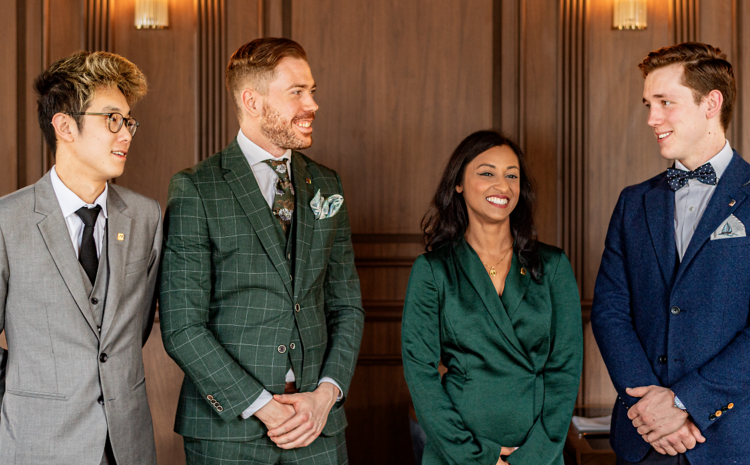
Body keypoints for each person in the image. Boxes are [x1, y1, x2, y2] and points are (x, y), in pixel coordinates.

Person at [159, 37, 365, 464]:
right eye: (296, 92)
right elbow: (182, 326)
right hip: (228, 432)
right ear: (252, 101)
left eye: (312, 91)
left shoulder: (327, 184)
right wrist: (262, 406)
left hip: (318, 427)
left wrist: (326, 396)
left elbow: (347, 307)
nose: (312, 104)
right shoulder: (197, 188)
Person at [0, 51, 162, 464]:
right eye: (111, 119)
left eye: (128, 121)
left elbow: (134, 328)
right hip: (36, 443)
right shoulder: (7, 221)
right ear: (64, 125)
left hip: (127, 446)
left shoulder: (146, 217)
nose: (125, 134)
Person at [591, 42, 750, 465]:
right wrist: (650, 411)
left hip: (730, 440)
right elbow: (609, 311)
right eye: (648, 103)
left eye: (665, 102)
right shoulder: (633, 202)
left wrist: (684, 402)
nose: (651, 119)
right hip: (645, 441)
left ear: (710, 103)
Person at [401, 130, 583, 465]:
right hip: (458, 452)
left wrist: (535, 456)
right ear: (458, 183)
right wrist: (474, 457)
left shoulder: (554, 265)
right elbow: (420, 374)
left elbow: (565, 369)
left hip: (538, 453)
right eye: (487, 173)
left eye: (511, 176)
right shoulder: (433, 270)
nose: (502, 185)